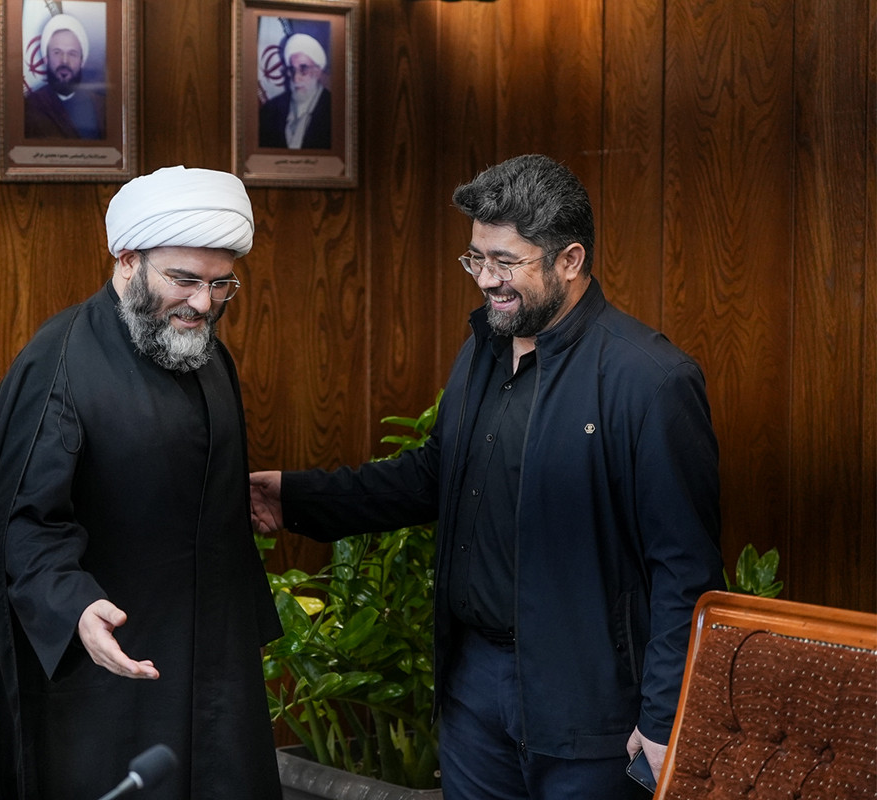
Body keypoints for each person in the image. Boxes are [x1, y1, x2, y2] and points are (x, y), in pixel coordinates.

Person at [250, 154, 725, 799]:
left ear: (569, 260)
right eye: (476, 258)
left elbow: (686, 570)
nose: (485, 280)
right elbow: (433, 476)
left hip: (590, 706)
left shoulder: (651, 380)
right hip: (473, 691)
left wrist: (666, 716)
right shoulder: (483, 348)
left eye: (505, 262)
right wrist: (295, 497)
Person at [0, 166, 283, 800]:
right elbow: (22, 521)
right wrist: (74, 605)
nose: (203, 303)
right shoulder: (59, 360)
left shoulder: (206, 352)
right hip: (111, 665)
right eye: (184, 280)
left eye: (220, 284)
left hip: (214, 663)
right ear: (127, 261)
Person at [24, 13, 106, 140]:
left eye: (72, 54)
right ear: (46, 58)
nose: (64, 61)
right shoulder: (29, 106)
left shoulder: (102, 105)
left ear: (82, 61)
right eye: (57, 52)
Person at [258, 32, 331, 150]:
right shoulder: (270, 110)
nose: (296, 78)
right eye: (292, 69)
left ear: (318, 72)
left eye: (304, 69)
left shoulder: (335, 111)